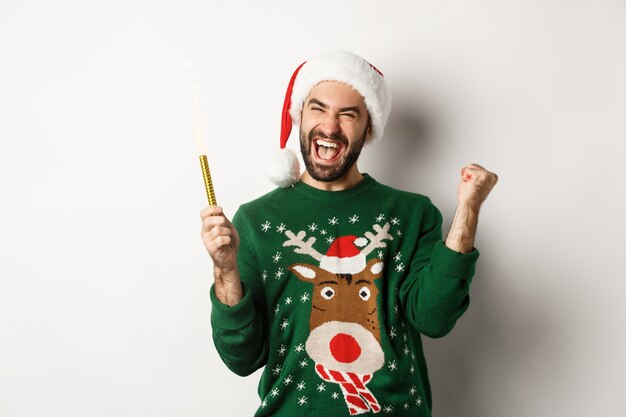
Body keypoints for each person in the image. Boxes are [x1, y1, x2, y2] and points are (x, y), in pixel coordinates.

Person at [200, 50, 498, 416]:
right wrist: (225, 270)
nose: (329, 126)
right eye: (318, 109)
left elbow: (434, 319)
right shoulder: (256, 220)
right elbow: (243, 359)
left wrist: (468, 208)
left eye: (348, 114)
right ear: (299, 116)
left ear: (369, 126)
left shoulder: (412, 214)